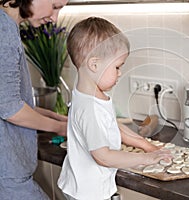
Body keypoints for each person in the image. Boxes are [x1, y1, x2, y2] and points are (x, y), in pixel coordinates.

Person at [57, 17, 172, 200]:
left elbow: (113, 125)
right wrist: (146, 159)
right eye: (117, 67)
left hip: (83, 187)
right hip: (88, 195)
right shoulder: (90, 109)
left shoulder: (88, 95)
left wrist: (145, 145)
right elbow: (103, 157)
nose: (120, 73)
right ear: (94, 65)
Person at [0, 0, 68, 199]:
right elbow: (10, 109)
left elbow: (11, 99)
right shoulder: (4, 32)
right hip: (7, 175)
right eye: (55, 6)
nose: (54, 18)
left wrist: (55, 118)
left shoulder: (7, 27)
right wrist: (59, 128)